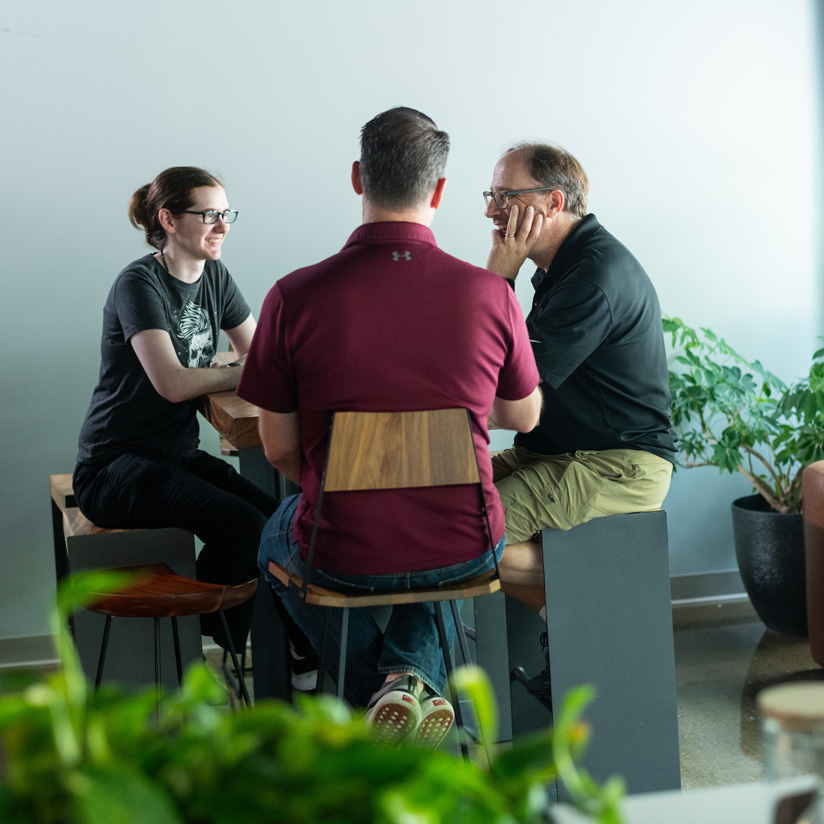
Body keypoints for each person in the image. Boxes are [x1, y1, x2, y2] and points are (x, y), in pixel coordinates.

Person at [238, 107, 541, 745]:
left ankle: (364, 705)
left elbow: (280, 450)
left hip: (343, 552)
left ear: (358, 178)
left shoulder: (294, 296)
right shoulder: (491, 295)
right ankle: (410, 685)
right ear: (439, 191)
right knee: (432, 561)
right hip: (467, 543)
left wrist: (352, 480)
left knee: (273, 538)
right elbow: (524, 415)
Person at [73, 166, 314, 681]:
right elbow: (172, 383)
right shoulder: (139, 284)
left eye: (226, 214)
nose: (223, 225)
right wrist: (231, 369)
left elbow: (261, 359)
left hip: (173, 456)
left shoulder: (215, 276)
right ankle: (212, 646)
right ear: (169, 219)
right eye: (210, 215)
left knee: (280, 522)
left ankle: (291, 651)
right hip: (115, 467)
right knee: (246, 527)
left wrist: (236, 368)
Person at [482, 142, 677, 700]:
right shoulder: (563, 265)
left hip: (616, 465)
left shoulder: (591, 275)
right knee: (438, 497)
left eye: (505, 196)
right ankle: (570, 627)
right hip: (557, 450)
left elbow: (509, 401)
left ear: (552, 201)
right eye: (490, 197)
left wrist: (497, 282)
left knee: (462, 534)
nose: (493, 211)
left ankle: (583, 627)